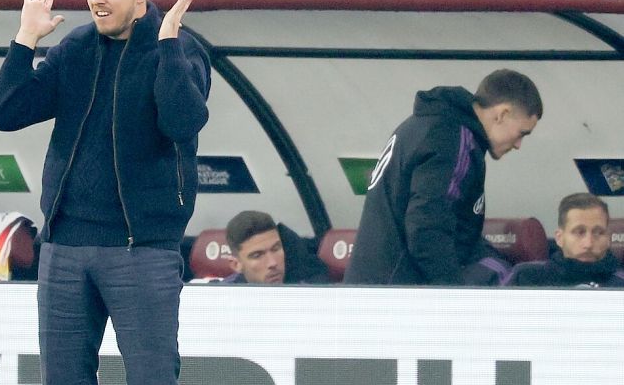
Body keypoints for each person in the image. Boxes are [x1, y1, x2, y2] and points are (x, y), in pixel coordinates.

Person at [0, 0, 210, 385]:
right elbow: (6, 113)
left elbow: (183, 122)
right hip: (65, 249)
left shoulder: (181, 48)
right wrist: (25, 40)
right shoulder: (76, 48)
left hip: (142, 251)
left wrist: (168, 47)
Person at [343, 69, 543, 286]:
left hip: (370, 286)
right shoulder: (454, 139)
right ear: (502, 114)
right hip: (397, 296)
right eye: (522, 133)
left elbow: (453, 228)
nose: (518, 145)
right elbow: (426, 228)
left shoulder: (421, 125)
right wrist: (451, 294)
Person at [505, 193, 624, 287]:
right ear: (559, 238)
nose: (588, 243)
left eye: (598, 233)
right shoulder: (526, 277)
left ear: (608, 238)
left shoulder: (620, 282)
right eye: (579, 232)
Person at [221, 210, 329, 284]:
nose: (272, 263)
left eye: (276, 249)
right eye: (257, 255)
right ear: (236, 265)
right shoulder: (218, 300)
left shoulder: (312, 295)